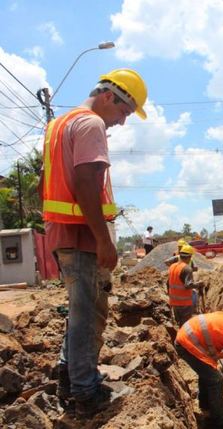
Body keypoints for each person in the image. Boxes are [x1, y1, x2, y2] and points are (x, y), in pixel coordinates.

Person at [41, 68, 148, 417]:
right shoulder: (91, 125)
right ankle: (87, 393)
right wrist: (104, 241)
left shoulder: (59, 125)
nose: (121, 122)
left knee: (78, 311)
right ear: (108, 97)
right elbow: (87, 181)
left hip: (63, 235)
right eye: (124, 112)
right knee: (89, 316)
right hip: (82, 236)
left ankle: (70, 380)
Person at [168, 244, 204, 326]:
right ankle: (183, 338)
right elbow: (188, 285)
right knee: (186, 326)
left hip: (174, 302)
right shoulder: (187, 269)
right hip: (184, 303)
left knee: (179, 324)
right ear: (189, 257)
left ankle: (179, 337)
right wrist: (198, 284)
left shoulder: (172, 266)